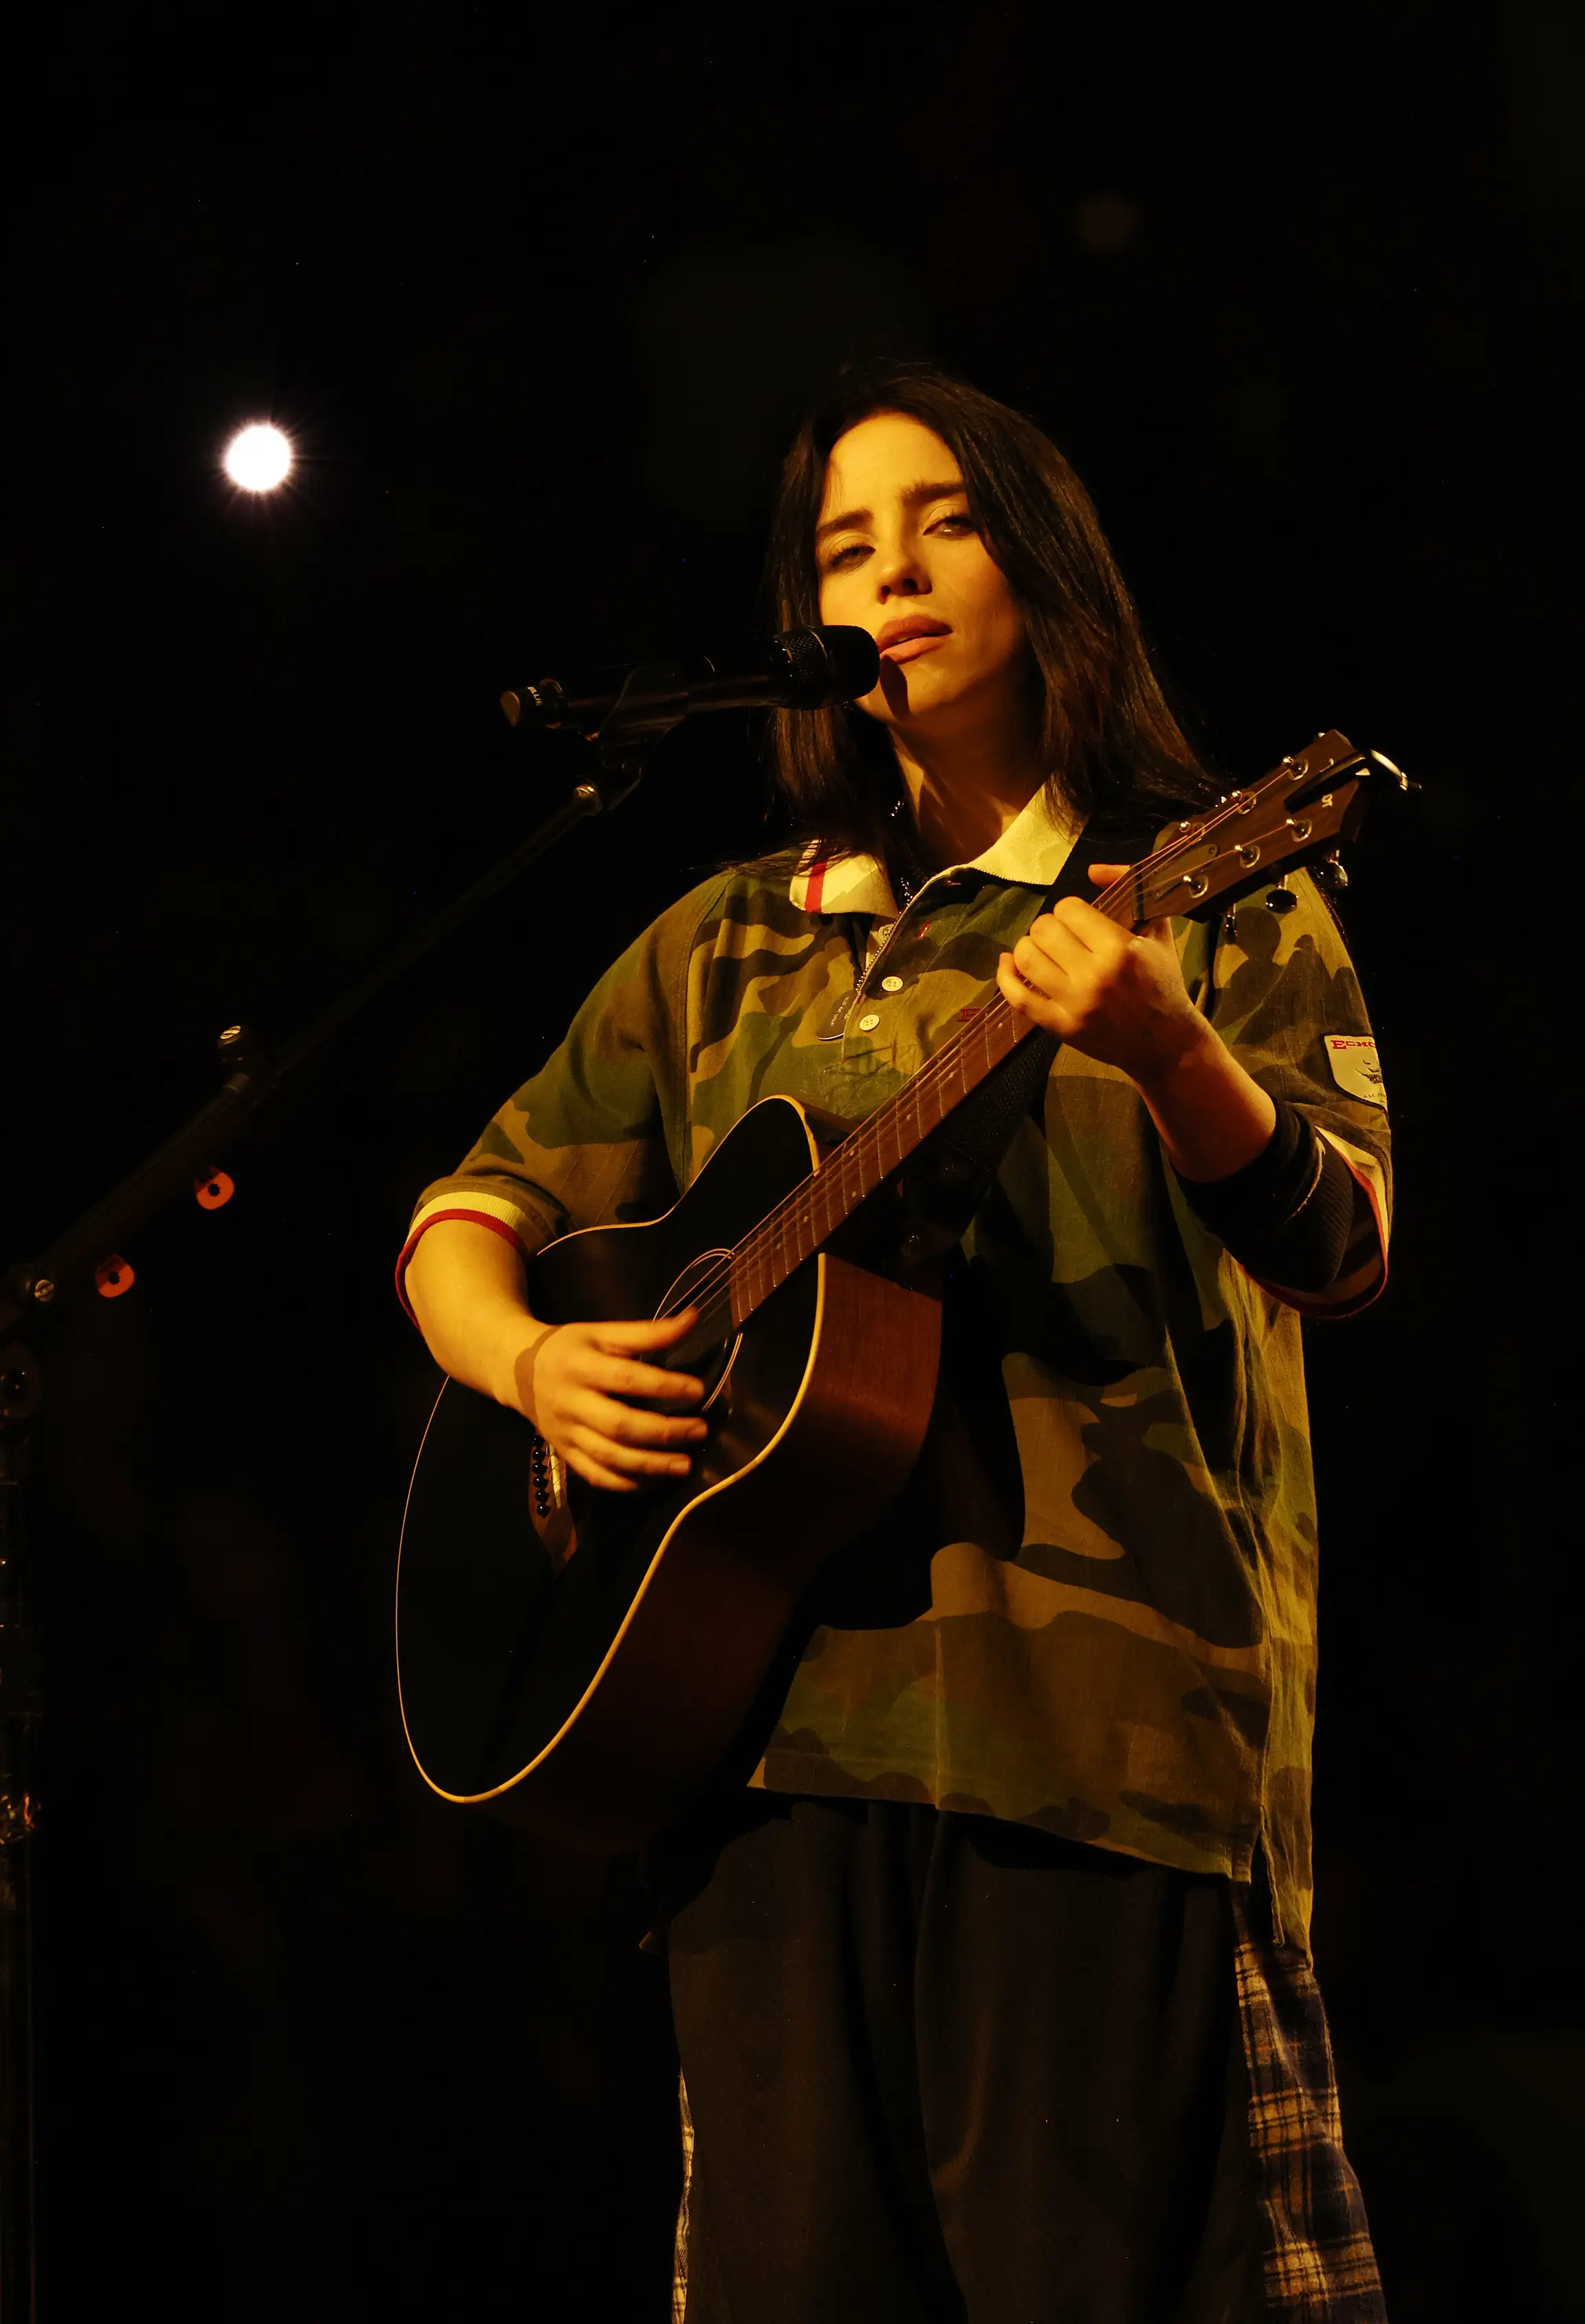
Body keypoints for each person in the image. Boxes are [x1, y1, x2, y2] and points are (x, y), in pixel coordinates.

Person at [399, 365, 1392, 2323]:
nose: (895, 573)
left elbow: (1345, 1250)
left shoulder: (1215, 889)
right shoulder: (732, 940)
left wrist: (1166, 1043)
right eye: (845, 547)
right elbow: (465, 1217)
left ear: (1044, 564)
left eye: (939, 521)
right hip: (758, 1756)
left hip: (1087, 1753)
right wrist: (532, 1365)